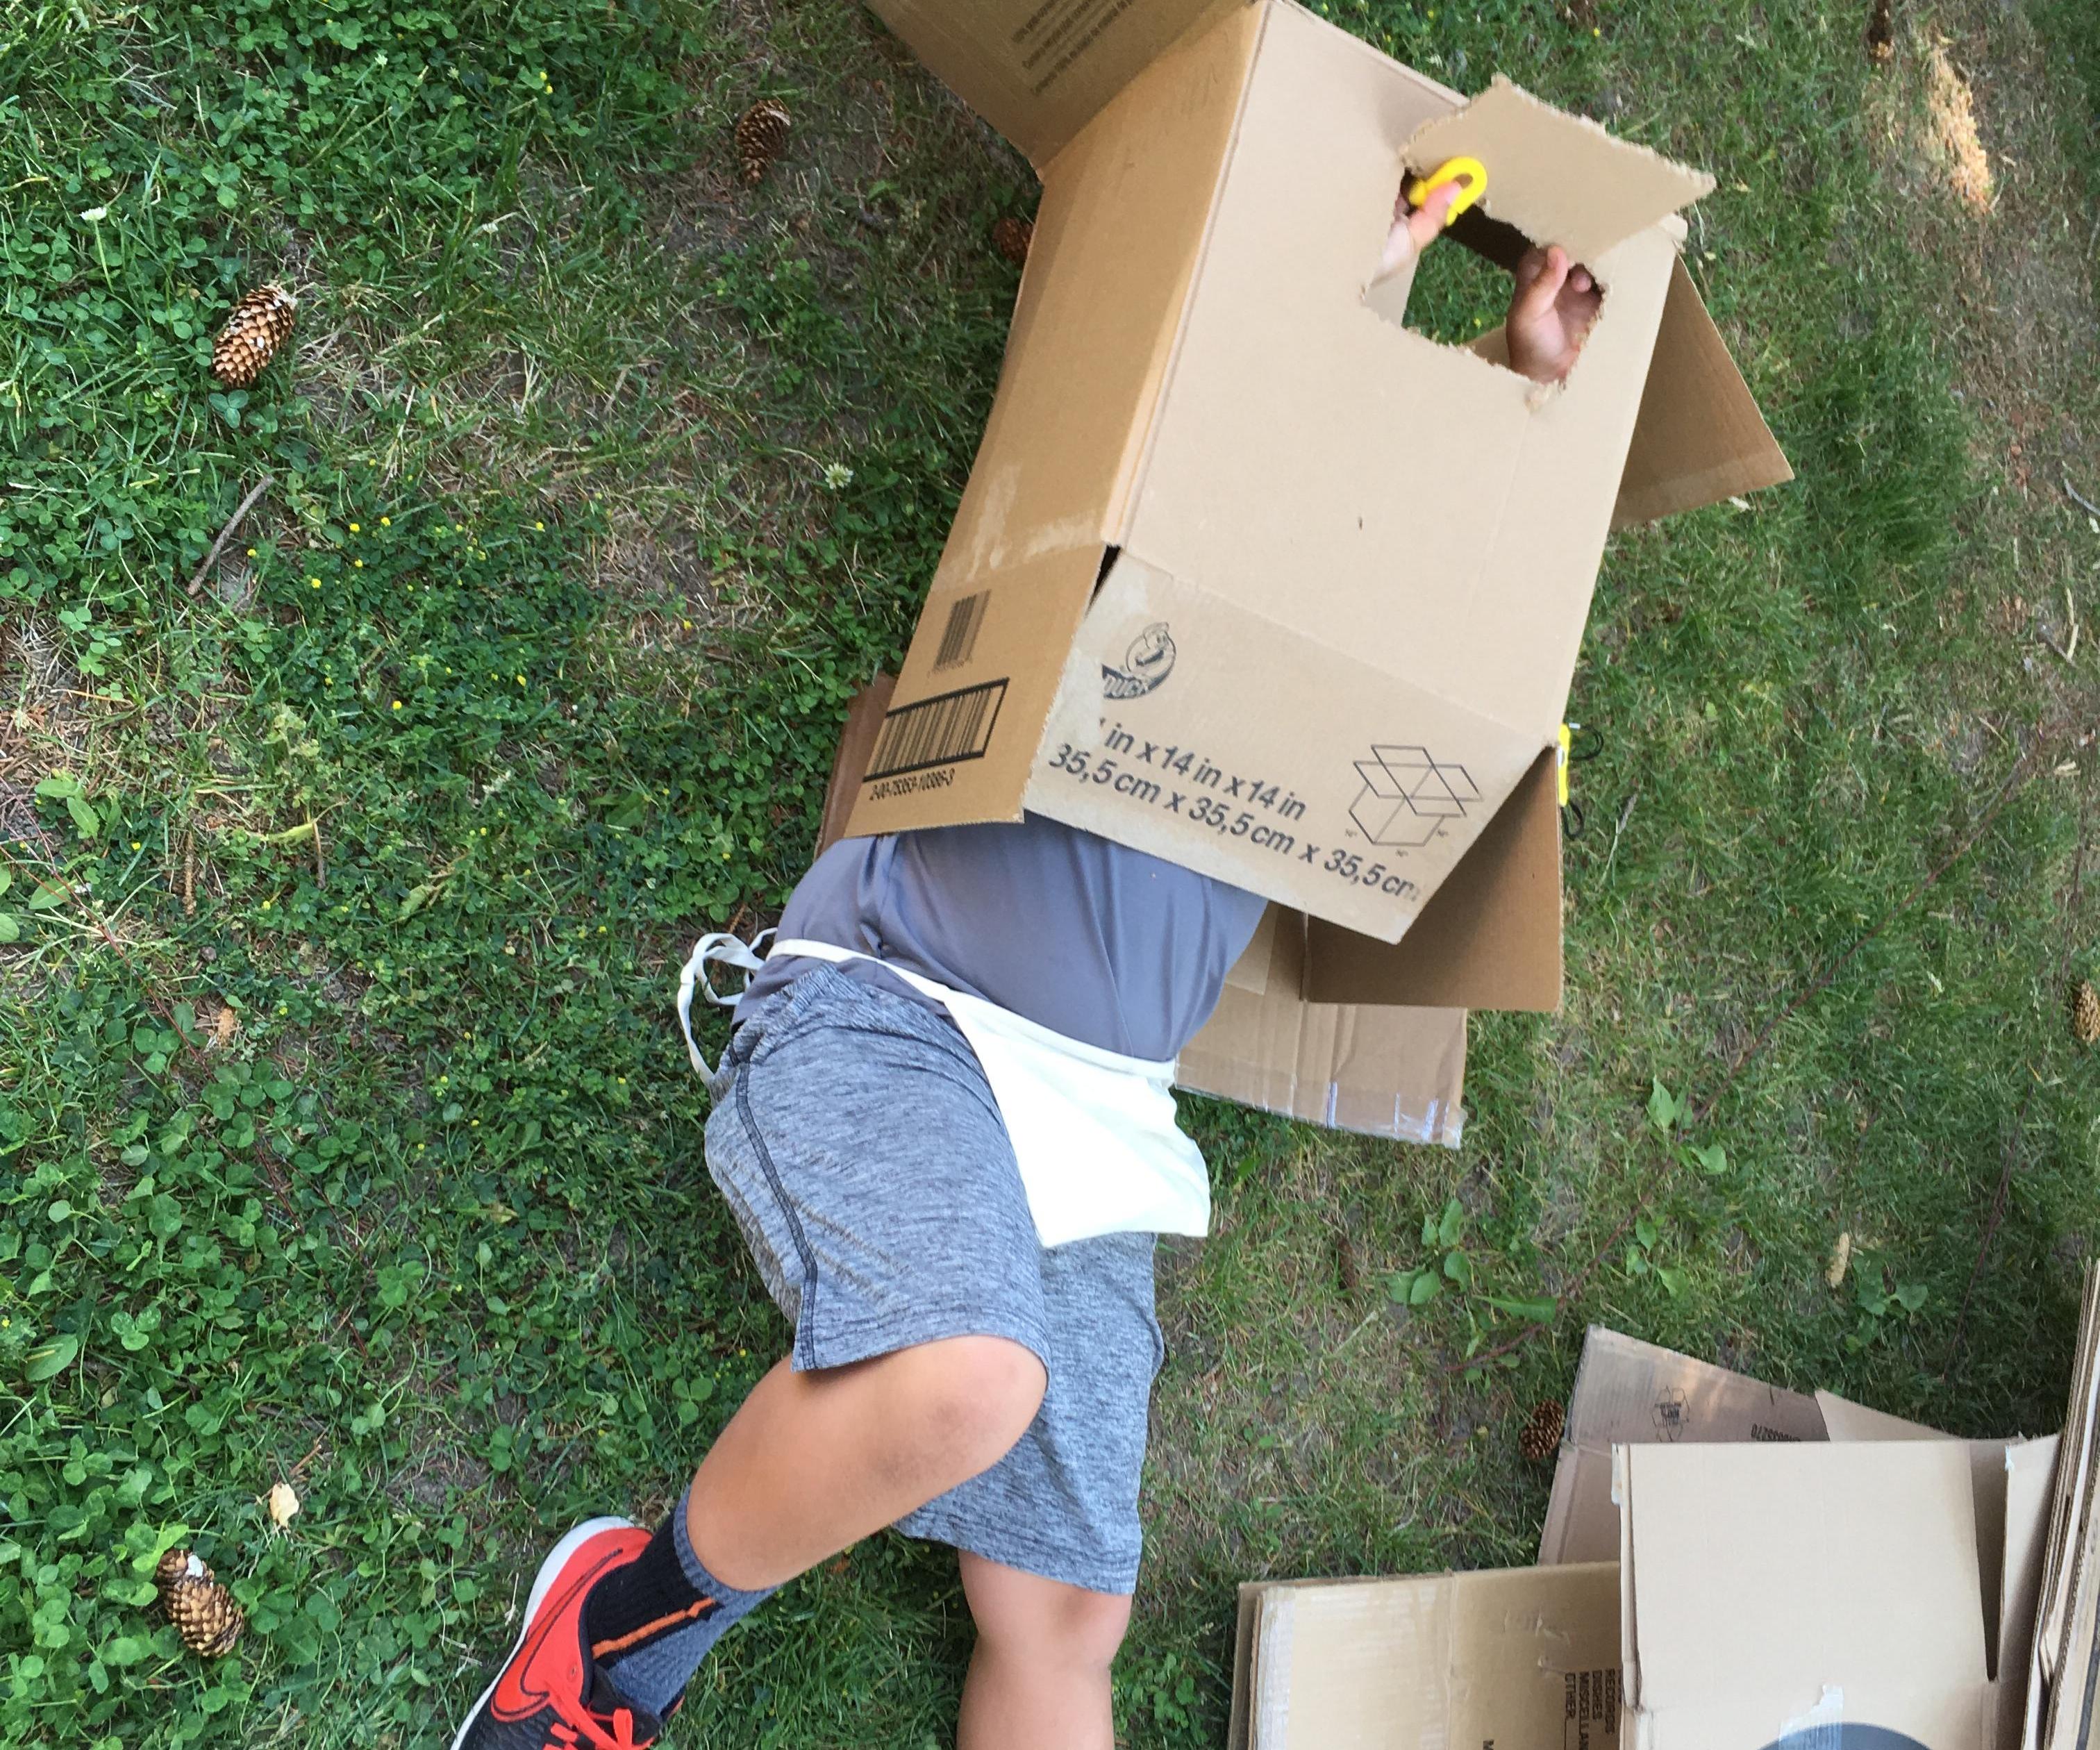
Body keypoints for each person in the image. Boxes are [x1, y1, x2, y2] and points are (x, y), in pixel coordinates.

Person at [449, 176, 1602, 1750]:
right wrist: (1341, 292)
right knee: (969, 1377)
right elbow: (1202, 428)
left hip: (1103, 1115)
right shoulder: (1144, 533)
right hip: (896, 1006)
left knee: (1070, 1616)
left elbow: (1406, 557)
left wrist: (1519, 378)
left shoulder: (1349, 688)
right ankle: (615, 1634)